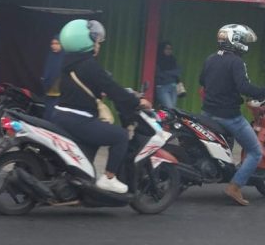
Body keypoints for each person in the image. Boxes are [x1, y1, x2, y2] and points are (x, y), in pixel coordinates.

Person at [50, 19, 151, 194]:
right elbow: (111, 87)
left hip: (61, 115)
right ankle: (109, 178)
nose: (98, 44)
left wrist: (99, 92)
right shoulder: (88, 64)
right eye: (95, 40)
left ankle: (80, 179)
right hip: (78, 119)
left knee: (96, 137)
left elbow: (85, 87)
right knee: (120, 136)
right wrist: (137, 101)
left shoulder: (69, 61)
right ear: (85, 40)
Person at [199, 23, 265, 206]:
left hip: (207, 113)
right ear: (234, 41)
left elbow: (202, 81)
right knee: (255, 152)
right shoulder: (236, 62)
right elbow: (244, 87)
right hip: (229, 116)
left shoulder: (210, 58)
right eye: (242, 39)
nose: (244, 43)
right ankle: (234, 187)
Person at [40, 35, 63, 119]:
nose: (54, 45)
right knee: (48, 113)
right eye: (52, 43)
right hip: (49, 91)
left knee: (56, 114)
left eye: (57, 43)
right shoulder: (51, 56)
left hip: (61, 93)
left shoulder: (65, 57)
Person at [155, 41, 182, 110]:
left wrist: (166, 72)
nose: (169, 51)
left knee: (173, 110)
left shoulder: (173, 59)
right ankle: (162, 120)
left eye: (170, 49)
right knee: (169, 109)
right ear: (162, 49)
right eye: (167, 48)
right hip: (162, 87)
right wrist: (171, 73)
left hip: (173, 87)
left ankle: (164, 120)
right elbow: (159, 74)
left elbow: (178, 72)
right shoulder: (157, 60)